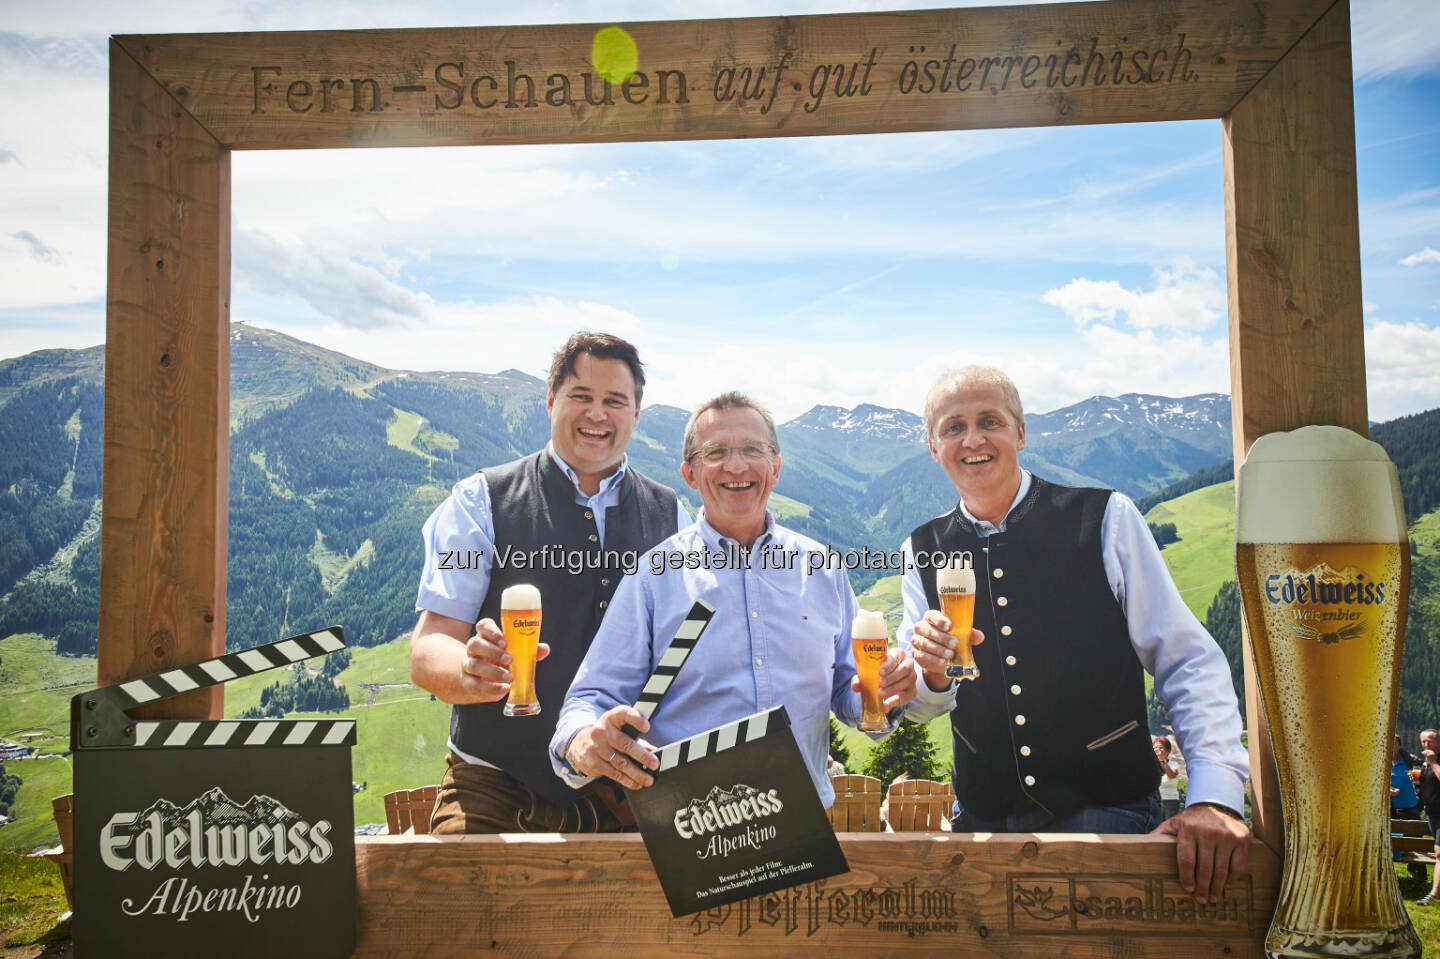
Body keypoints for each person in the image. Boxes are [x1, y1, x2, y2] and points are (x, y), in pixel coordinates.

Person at [899, 365, 1251, 904]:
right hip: (982, 819)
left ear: (1020, 433)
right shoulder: (920, 548)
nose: (972, 439)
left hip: (1110, 813)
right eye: (953, 427)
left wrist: (1214, 796)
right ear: (933, 446)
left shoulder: (1105, 518)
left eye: (989, 421)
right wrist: (931, 675)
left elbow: (1187, 661)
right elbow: (922, 707)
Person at [549, 391, 919, 808]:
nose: (737, 465)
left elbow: (852, 698)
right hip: (693, 829)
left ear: (775, 468)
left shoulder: (823, 569)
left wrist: (884, 696)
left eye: (752, 450)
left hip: (804, 824)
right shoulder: (653, 577)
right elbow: (590, 699)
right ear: (690, 473)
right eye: (716, 452)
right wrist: (582, 741)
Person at [410, 332, 689, 834]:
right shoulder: (480, 501)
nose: (596, 414)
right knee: (451, 907)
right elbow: (430, 648)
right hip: (497, 787)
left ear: (636, 415)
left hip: (629, 789)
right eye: (580, 396)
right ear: (551, 401)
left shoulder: (671, 514)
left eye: (614, 401)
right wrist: (470, 673)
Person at [1417, 728, 1439, 905]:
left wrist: (1433, 763)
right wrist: (1416, 784)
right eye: (1423, 741)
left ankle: (1434, 893)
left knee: (1439, 852)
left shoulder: (1433, 761)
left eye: (1430, 741)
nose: (1426, 744)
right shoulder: (1425, 764)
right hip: (1432, 814)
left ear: (1438, 743)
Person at [1390, 733, 1422, 821]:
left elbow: (1421, 779)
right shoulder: (1381, 763)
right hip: (1388, 810)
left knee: (1413, 834)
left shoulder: (1409, 760)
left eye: (1394, 743)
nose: (1390, 746)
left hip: (1410, 809)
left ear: (1399, 745)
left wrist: (1418, 786)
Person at [1155, 735, 1182, 821]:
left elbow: (1172, 775)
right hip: (1155, 801)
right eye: (1155, 747)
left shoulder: (1174, 765)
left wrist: (1163, 761)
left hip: (1170, 801)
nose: (1157, 750)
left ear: (1168, 751)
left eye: (1161, 748)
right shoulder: (1151, 765)